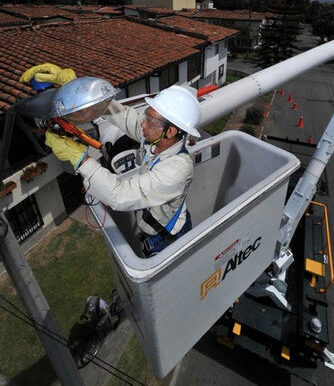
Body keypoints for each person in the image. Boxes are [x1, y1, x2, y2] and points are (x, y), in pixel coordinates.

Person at [19, 63, 201, 256]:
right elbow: (122, 115)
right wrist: (77, 88)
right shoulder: (158, 139)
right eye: (146, 115)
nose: (142, 123)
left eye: (149, 120)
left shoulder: (178, 169)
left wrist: (81, 159)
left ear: (170, 131)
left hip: (167, 240)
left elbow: (120, 195)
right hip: (156, 228)